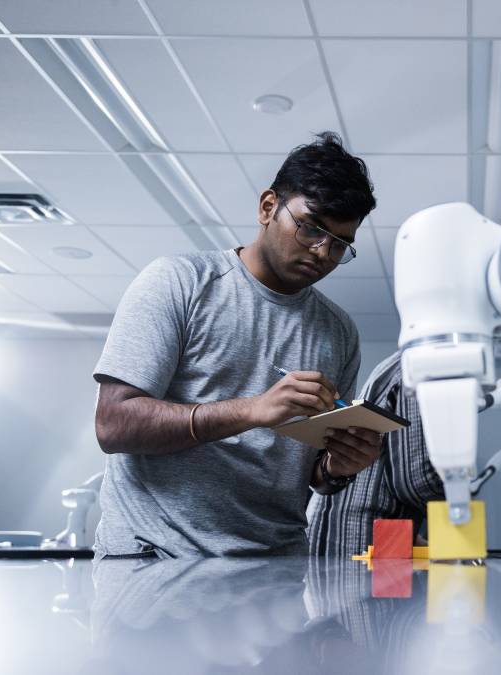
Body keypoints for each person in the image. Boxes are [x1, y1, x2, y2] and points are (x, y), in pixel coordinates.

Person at [92, 132, 383, 559]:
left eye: (339, 244)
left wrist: (337, 467)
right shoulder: (179, 282)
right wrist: (252, 410)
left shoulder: (339, 331)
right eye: (311, 228)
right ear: (268, 207)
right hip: (156, 556)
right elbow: (113, 425)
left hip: (274, 565)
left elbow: (312, 472)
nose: (323, 252)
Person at [308, 351, 444, 557]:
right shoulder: (421, 369)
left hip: (349, 533)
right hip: (355, 540)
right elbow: (416, 482)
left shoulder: (398, 365)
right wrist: (463, 500)